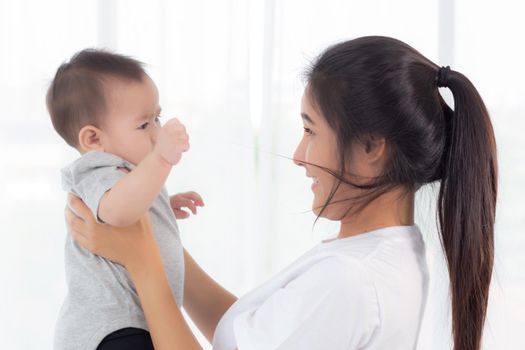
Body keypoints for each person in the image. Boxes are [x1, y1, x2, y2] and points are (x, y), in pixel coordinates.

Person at [65, 36, 497, 350]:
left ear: (370, 149)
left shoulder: (351, 281)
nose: (297, 155)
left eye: (310, 130)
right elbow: (250, 336)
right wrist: (153, 237)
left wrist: (143, 262)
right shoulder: (378, 257)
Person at [47, 49, 204, 349]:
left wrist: (163, 205)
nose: (156, 133)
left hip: (135, 320)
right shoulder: (94, 170)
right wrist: (161, 159)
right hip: (112, 326)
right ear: (94, 139)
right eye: (144, 125)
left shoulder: (128, 174)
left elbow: (130, 202)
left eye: (157, 118)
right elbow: (117, 212)